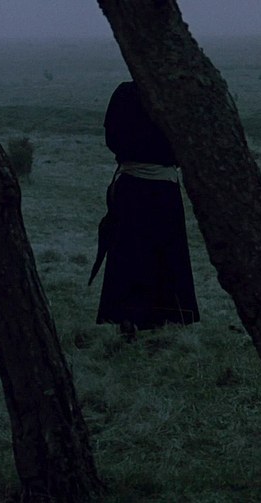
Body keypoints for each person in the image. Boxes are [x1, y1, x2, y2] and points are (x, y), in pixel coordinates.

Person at [89, 81, 200, 340]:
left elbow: (112, 137)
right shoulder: (172, 93)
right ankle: (165, 319)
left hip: (131, 187)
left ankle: (128, 318)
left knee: (129, 254)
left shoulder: (124, 94)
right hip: (164, 190)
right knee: (165, 255)